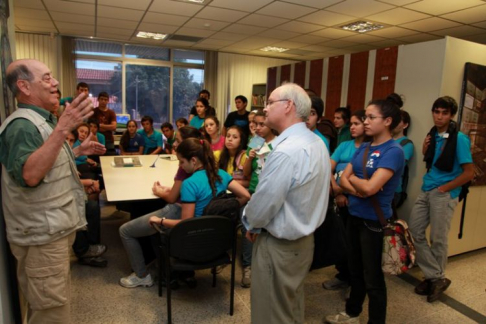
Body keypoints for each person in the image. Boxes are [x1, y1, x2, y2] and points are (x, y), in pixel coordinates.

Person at [0, 59, 105, 323]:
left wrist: (79, 150)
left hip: (51, 231)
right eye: (46, 78)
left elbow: (48, 160)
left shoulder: (41, 121)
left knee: (50, 302)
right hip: (40, 237)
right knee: (51, 312)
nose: (55, 83)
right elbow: (31, 174)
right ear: (24, 86)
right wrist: (63, 128)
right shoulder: (22, 126)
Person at [243, 83, 330, 323]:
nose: (265, 108)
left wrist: (251, 223)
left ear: (289, 106)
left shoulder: (285, 151)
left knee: (271, 313)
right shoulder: (316, 143)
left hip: (279, 246)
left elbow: (264, 204)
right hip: (303, 243)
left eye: (270, 102)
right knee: (290, 306)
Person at [120, 136, 250, 288]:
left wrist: (159, 220)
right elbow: (246, 196)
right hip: (217, 245)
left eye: (182, 162)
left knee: (126, 230)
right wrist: (228, 205)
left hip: (192, 245)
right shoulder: (221, 174)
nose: (181, 166)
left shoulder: (190, 184)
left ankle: (142, 276)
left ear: (193, 161)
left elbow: (184, 223)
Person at [326, 98, 404, 324]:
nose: (366, 122)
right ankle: (352, 314)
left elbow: (368, 187)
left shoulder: (393, 151)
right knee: (355, 270)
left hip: (374, 222)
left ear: (387, 121)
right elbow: (343, 179)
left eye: (371, 117)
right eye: (365, 117)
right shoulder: (365, 147)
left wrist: (357, 184)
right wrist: (360, 186)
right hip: (354, 216)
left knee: (373, 278)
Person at [409, 96, 474, 303]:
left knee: (438, 238)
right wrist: (425, 150)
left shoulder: (460, 139)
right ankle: (436, 276)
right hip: (427, 188)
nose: (439, 116)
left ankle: (434, 278)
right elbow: (432, 162)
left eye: (444, 113)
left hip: (444, 193)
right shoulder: (433, 135)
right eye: (436, 112)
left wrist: (445, 188)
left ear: (451, 115)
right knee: (415, 231)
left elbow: (469, 173)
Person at [322, 110, 369, 291]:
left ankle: (356, 279)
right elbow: (329, 167)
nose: (353, 127)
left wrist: (343, 188)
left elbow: (363, 178)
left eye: (357, 124)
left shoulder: (369, 148)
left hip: (358, 198)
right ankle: (343, 274)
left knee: (356, 243)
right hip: (339, 196)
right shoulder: (344, 145)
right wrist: (336, 189)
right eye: (352, 124)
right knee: (340, 238)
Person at [240, 110, 277, 288]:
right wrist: (249, 158)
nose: (258, 128)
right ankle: (248, 266)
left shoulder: (279, 143)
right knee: (246, 225)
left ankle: (268, 268)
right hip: (254, 191)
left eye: (262, 124)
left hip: (270, 193)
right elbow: (246, 172)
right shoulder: (255, 141)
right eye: (256, 124)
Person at [392, 109, 414, 208]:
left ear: (405, 125)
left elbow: (396, 166)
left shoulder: (406, 144)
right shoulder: (383, 140)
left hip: (393, 190)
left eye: (398, 120)